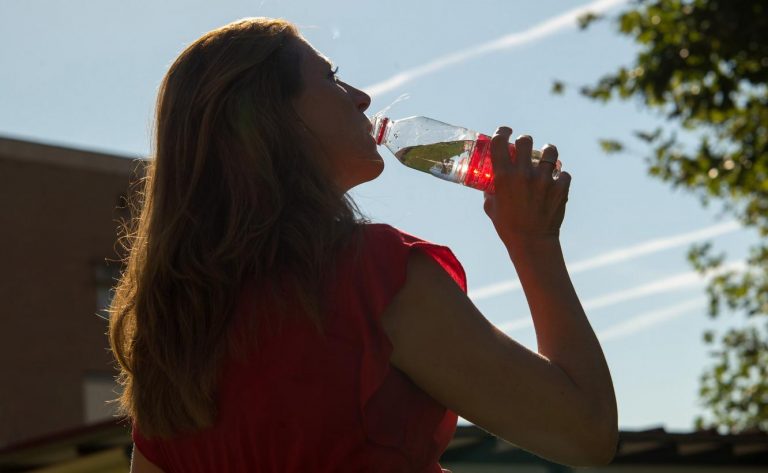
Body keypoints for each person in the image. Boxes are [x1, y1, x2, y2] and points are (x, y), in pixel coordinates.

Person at [109, 17, 618, 473]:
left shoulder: (171, 338)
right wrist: (533, 241)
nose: (362, 98)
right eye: (331, 78)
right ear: (274, 118)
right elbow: (587, 433)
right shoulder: (372, 277)